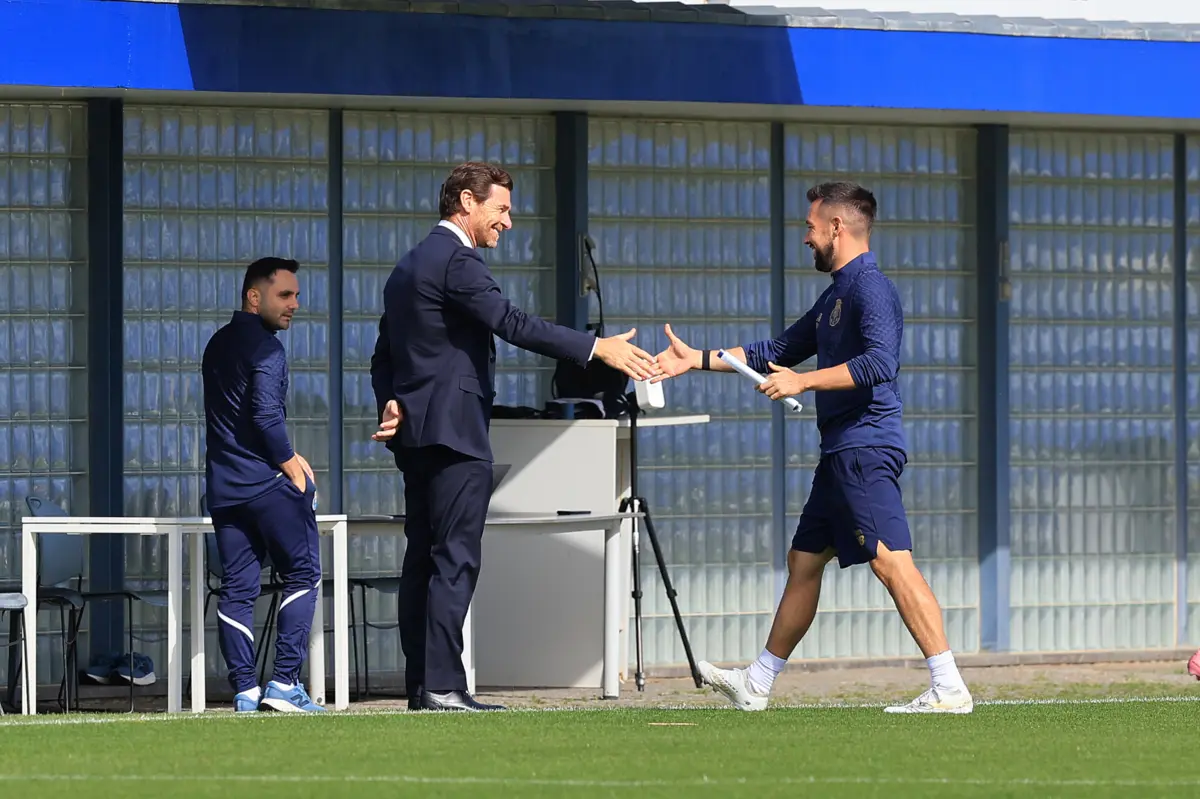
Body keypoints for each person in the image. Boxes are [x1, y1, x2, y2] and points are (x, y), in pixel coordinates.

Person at [654, 181, 973, 714]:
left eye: (809, 226)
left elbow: (879, 365)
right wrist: (698, 359)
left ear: (836, 228)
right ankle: (757, 683)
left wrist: (803, 383)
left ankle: (948, 685)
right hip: (840, 452)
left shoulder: (871, 288)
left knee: (891, 561)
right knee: (803, 562)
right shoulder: (837, 294)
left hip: (865, 446)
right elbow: (775, 351)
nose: (805, 237)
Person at [369, 161, 661, 712]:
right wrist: (598, 349)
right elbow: (513, 322)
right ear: (465, 202)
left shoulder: (408, 266)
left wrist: (392, 399)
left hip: (417, 435)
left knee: (423, 561)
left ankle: (423, 685)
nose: (508, 220)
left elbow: (384, 356)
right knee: (454, 559)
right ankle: (442, 687)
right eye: (500, 208)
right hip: (456, 433)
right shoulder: (458, 260)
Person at [201, 256, 325, 714]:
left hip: (224, 488)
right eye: (285, 295)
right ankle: (284, 685)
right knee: (303, 574)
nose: (295, 304)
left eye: (295, 295)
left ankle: (246, 691)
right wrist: (290, 464)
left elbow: (231, 419)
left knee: (238, 587)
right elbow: (266, 416)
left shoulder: (216, 344)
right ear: (255, 297)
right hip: (266, 485)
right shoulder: (269, 350)